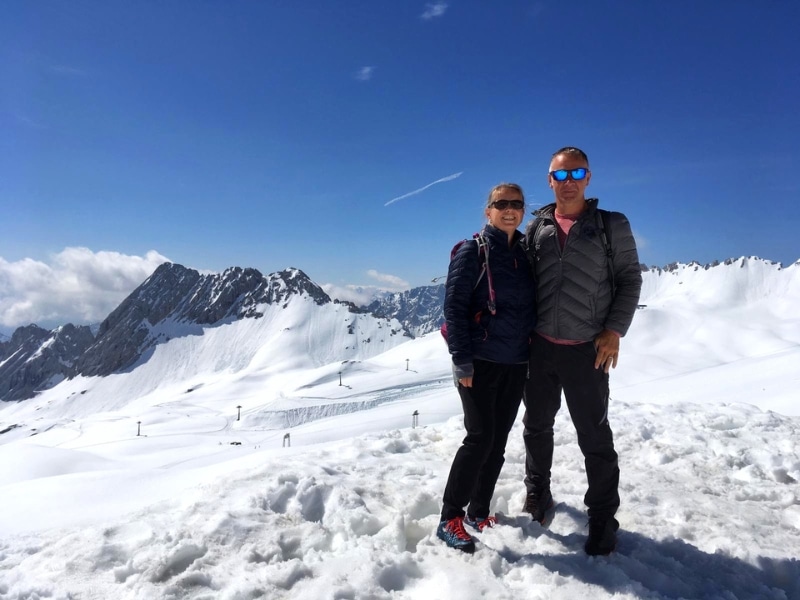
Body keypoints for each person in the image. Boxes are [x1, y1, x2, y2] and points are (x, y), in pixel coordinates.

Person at [522, 147, 642, 556]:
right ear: (549, 180)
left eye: (577, 173)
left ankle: (603, 518)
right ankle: (538, 493)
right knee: (536, 426)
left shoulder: (611, 226)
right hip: (539, 347)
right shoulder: (536, 227)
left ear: (588, 178)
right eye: (560, 174)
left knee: (594, 437)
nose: (568, 181)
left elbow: (629, 279)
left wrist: (614, 330)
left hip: (586, 351)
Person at [437, 183, 537, 553]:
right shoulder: (472, 251)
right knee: (479, 438)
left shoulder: (525, 254)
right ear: (488, 210)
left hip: (514, 362)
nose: (510, 210)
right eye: (501, 204)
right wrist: (461, 360)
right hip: (477, 362)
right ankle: (450, 517)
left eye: (516, 204)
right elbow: (455, 307)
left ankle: (479, 511)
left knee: (496, 442)